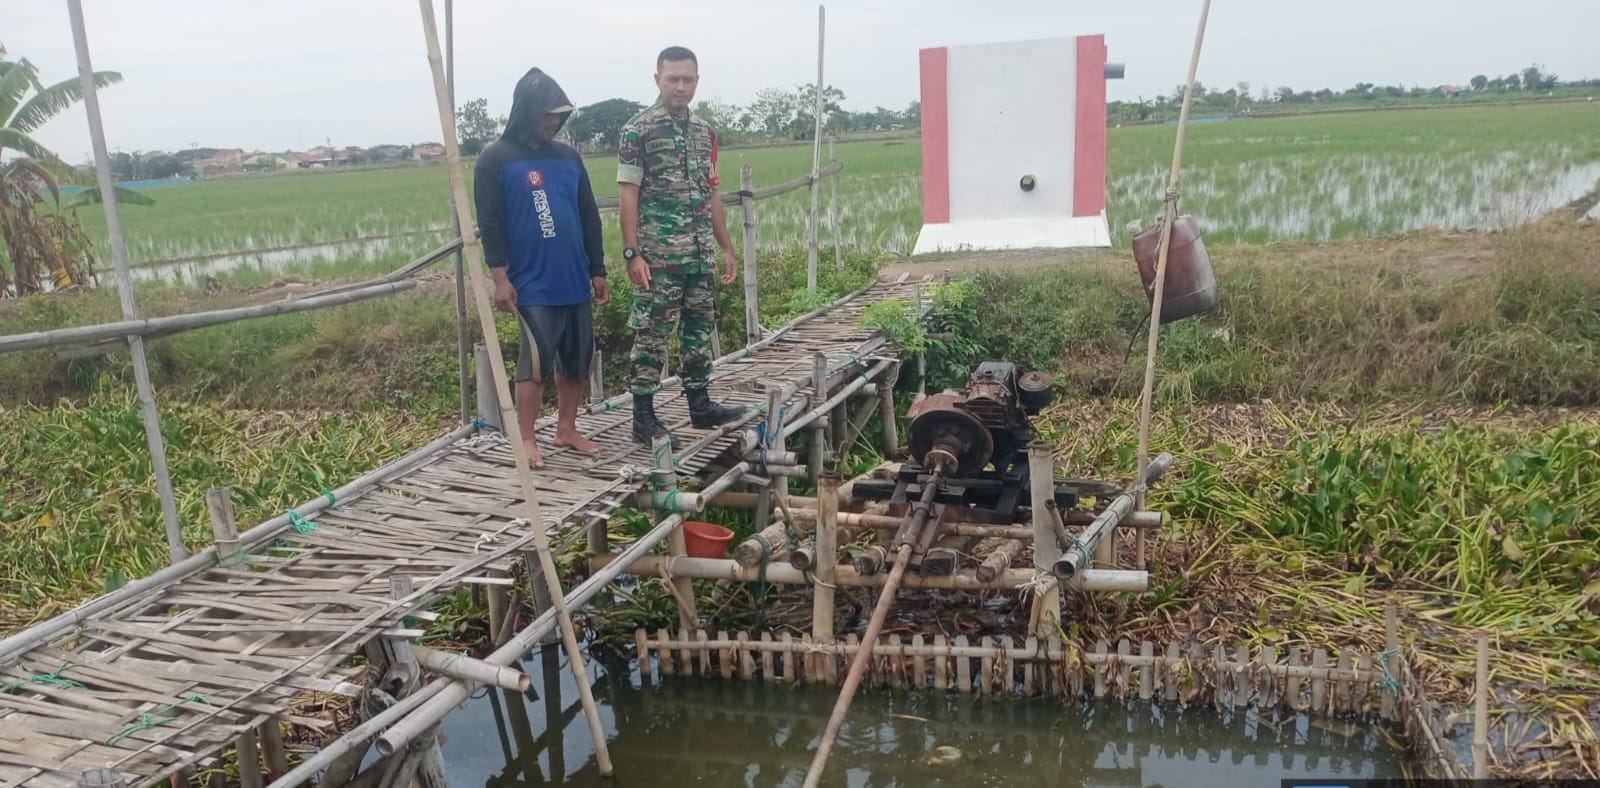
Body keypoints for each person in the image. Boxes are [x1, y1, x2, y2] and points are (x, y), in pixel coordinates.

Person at [474, 67, 609, 468]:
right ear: (526, 111)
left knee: (577, 359)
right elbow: (491, 224)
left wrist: (597, 269)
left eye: (559, 116)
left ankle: (566, 428)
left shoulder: (568, 157)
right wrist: (500, 279)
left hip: (574, 276)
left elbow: (588, 216)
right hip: (531, 280)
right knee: (533, 362)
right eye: (547, 114)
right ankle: (527, 438)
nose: (553, 122)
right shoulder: (495, 159)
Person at [617, 45, 746, 445]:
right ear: (657, 79)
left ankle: (700, 405)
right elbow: (628, 195)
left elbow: (712, 193)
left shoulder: (705, 132)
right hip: (658, 258)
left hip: (699, 255)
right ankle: (643, 419)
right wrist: (632, 252)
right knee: (652, 337)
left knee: (698, 332)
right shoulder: (638, 130)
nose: (680, 86)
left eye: (687, 79)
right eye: (672, 79)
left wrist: (726, 247)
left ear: (697, 81)